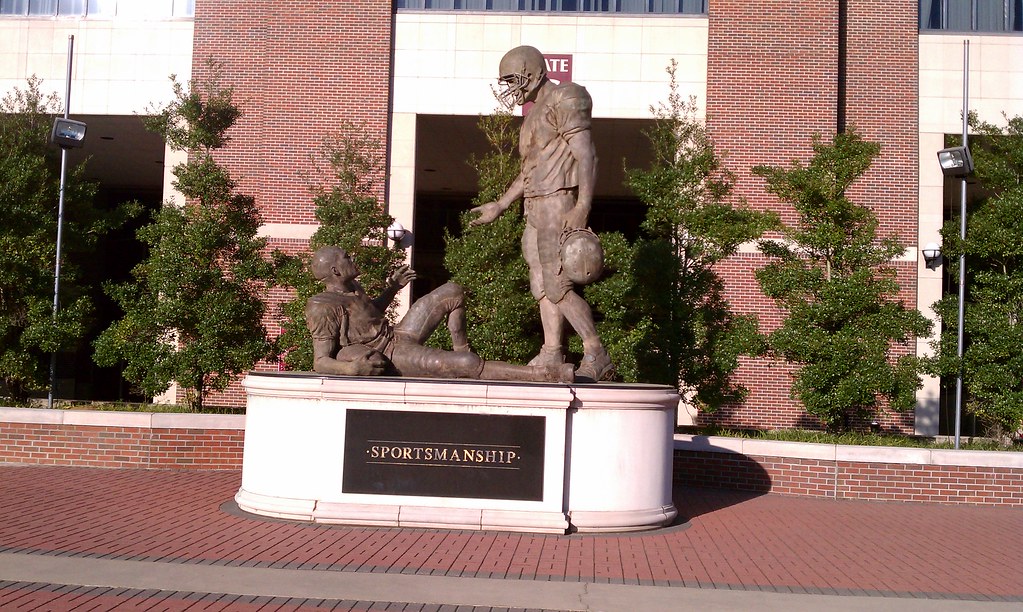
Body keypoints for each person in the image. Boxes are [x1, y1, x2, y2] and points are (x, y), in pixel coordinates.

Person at [470, 45, 614, 382]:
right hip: (534, 206)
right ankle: (552, 351)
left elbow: (587, 156)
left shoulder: (566, 97)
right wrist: (502, 204)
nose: (509, 87)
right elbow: (530, 170)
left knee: (558, 285)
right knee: (541, 283)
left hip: (557, 202)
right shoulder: (534, 113)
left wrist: (582, 205)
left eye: (512, 79)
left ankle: (597, 352)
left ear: (532, 72)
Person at [305, 245, 573, 383]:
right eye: (346, 257)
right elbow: (320, 361)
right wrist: (352, 368)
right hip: (391, 354)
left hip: (398, 335)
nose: (352, 257)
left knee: (452, 291)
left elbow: (371, 314)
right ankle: (543, 374)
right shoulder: (323, 305)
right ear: (335, 271)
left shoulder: (352, 287)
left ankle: (462, 355)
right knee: (467, 363)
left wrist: (392, 288)